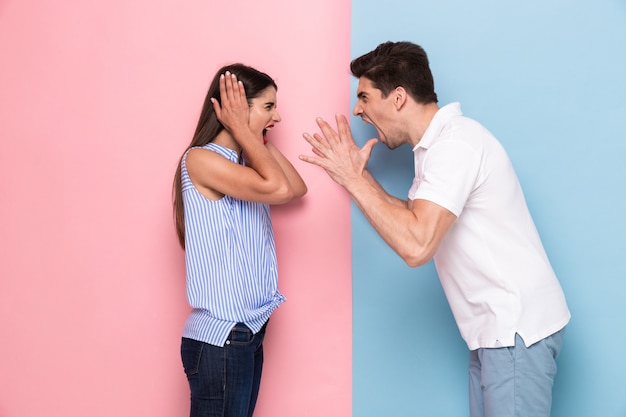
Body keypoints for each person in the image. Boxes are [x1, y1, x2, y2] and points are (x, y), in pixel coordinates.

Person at [300, 41, 570, 417]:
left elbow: (417, 245)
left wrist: (354, 180)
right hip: (499, 333)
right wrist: (354, 178)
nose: (357, 109)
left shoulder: (454, 146)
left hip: (513, 330)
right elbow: (414, 214)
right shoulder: (438, 147)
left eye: (363, 96)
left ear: (397, 98)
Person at [173, 63, 307, 417]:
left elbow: (295, 189)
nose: (277, 116)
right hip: (222, 337)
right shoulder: (200, 160)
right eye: (267, 107)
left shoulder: (243, 165)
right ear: (235, 109)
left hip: (246, 333)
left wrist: (254, 138)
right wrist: (241, 131)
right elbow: (278, 188)